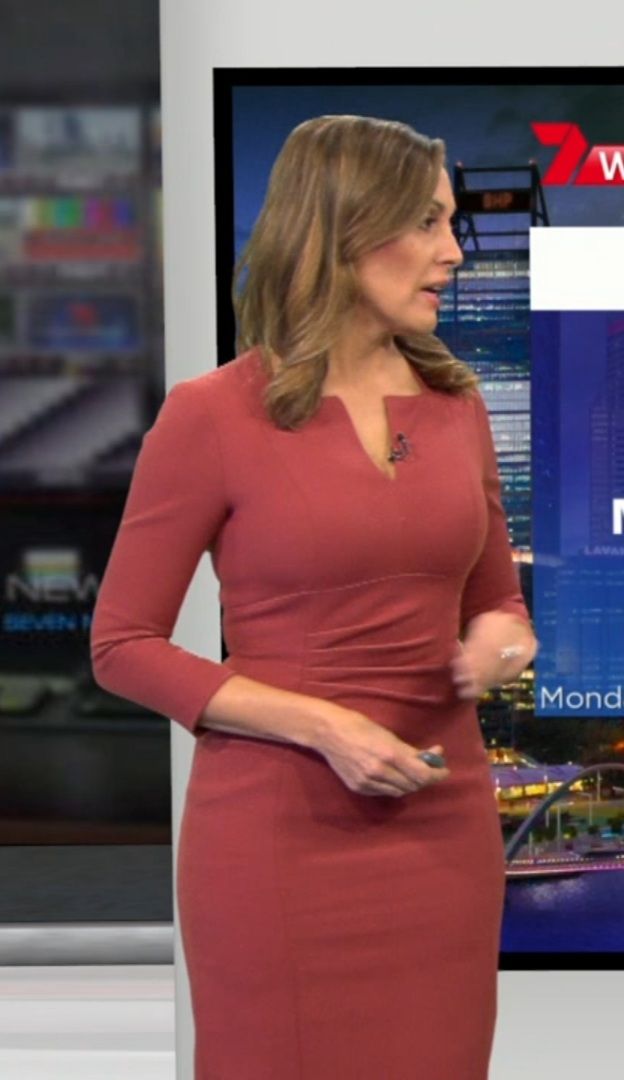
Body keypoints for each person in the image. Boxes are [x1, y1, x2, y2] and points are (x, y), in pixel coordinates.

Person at [90, 114, 538, 1079]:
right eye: (427, 222)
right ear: (345, 228)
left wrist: (501, 644)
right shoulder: (211, 415)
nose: (454, 252)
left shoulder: (458, 407)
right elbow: (121, 645)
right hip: (278, 839)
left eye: (453, 223)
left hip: (442, 834)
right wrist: (325, 727)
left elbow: (501, 603)